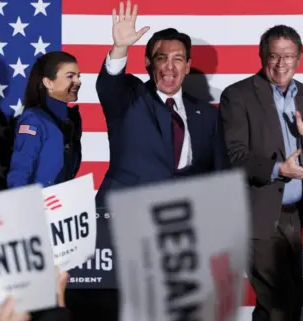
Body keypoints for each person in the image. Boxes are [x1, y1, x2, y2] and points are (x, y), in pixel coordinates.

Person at [219, 25, 303, 321]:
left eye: (288, 56)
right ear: (262, 56)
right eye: (273, 55)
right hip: (257, 214)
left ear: (299, 58)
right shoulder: (237, 95)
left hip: (294, 216)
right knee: (276, 302)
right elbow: (234, 157)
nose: (281, 63)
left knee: (290, 307)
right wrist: (278, 170)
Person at [94, 0, 228, 207]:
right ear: (148, 63)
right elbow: (109, 85)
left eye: (178, 59)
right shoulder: (130, 96)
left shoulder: (208, 114)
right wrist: (120, 48)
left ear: (187, 66)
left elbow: (217, 175)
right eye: (161, 58)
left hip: (179, 220)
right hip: (126, 212)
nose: (169, 67)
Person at [7, 51, 83, 188]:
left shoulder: (71, 121)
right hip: (37, 206)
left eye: (78, 76)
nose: (78, 81)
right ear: (48, 83)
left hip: (63, 204)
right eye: (70, 76)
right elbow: (20, 172)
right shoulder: (33, 120)